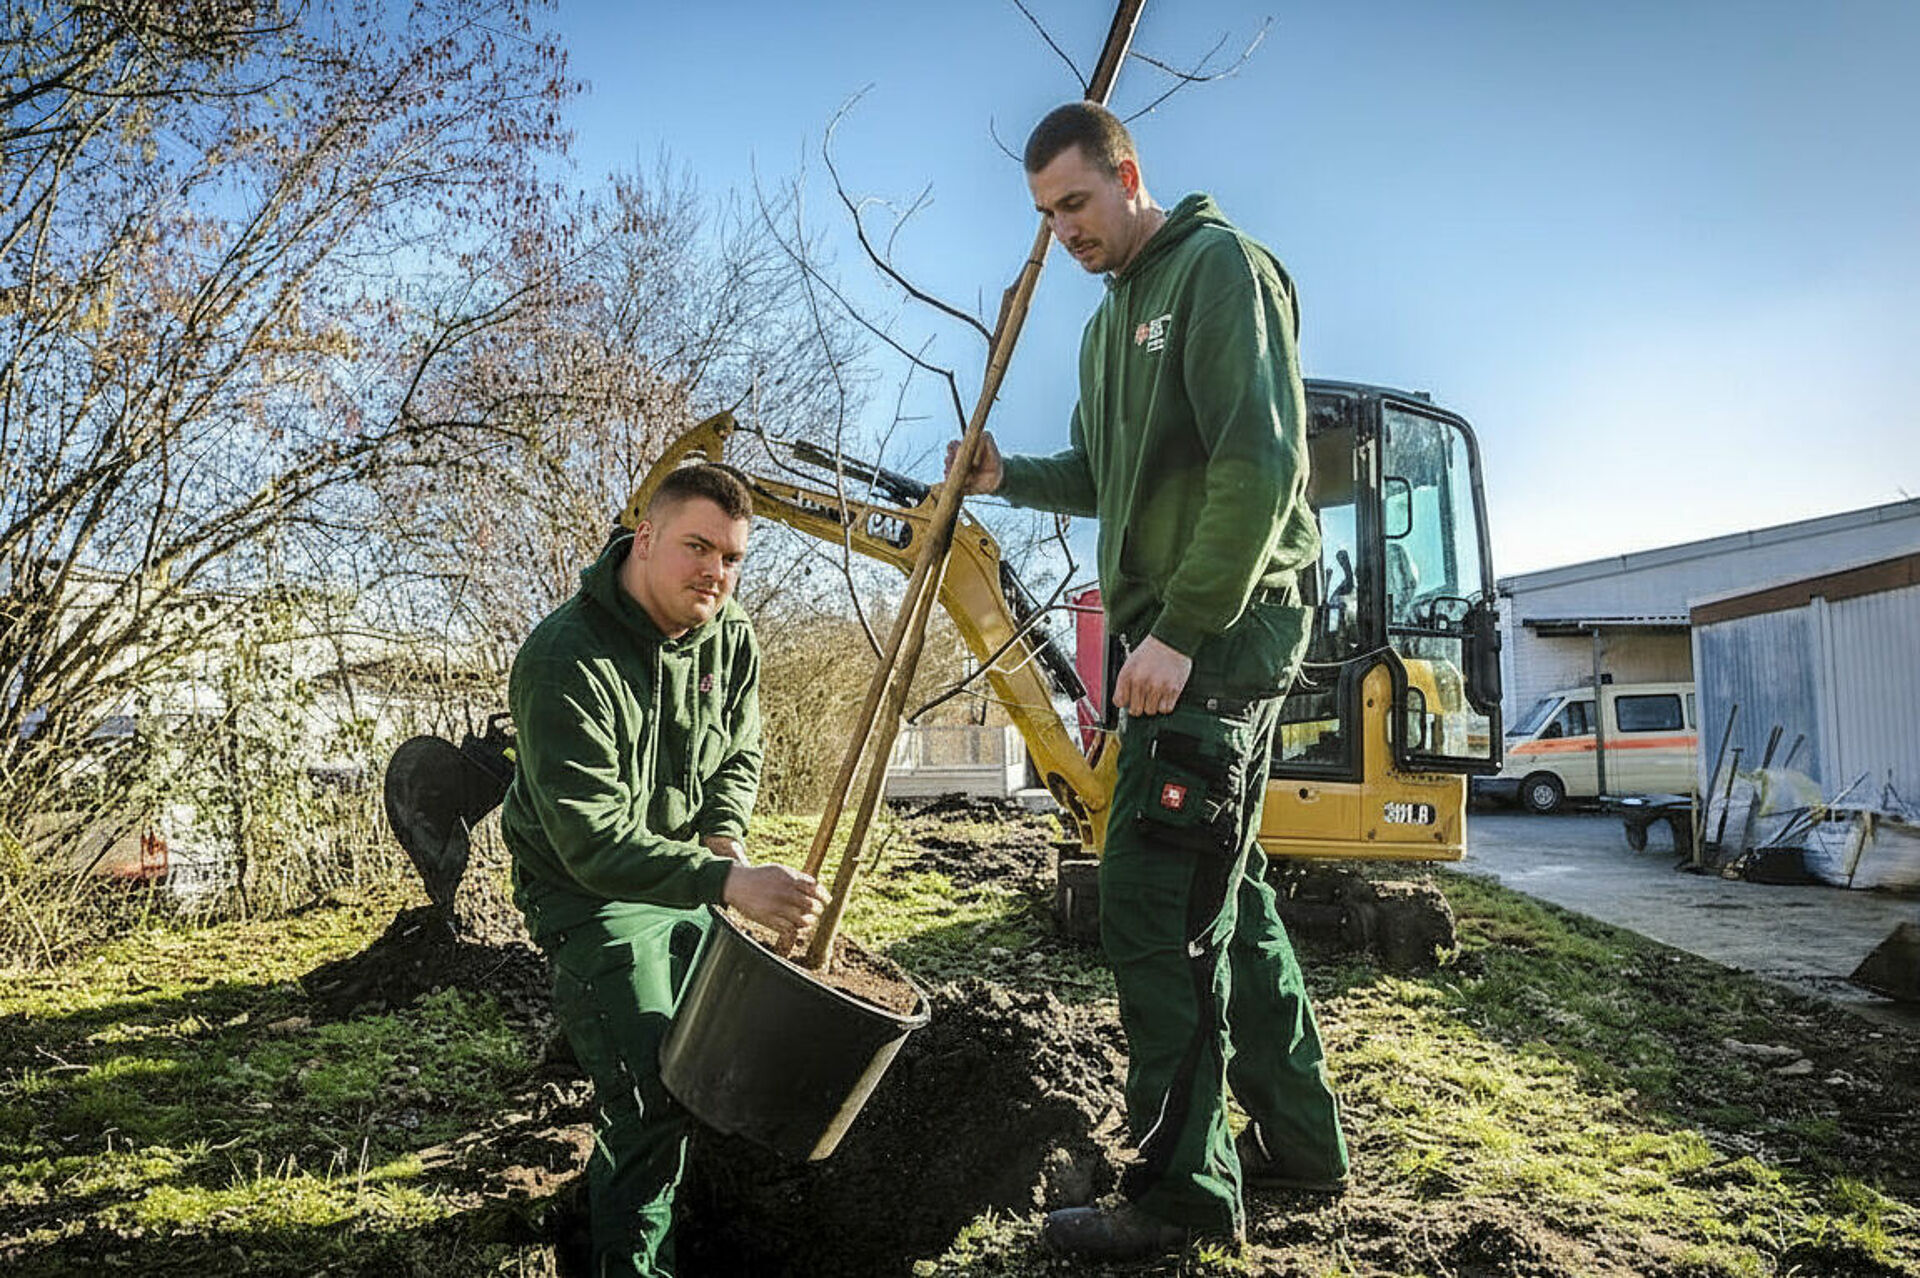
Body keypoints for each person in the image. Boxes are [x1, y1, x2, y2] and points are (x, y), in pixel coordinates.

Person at [947, 102, 1348, 1261]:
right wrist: (1010, 472)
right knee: (1235, 895)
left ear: (1129, 175)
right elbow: (1109, 475)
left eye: (1076, 202)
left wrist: (1176, 632)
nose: (1062, 231)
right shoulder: (1105, 323)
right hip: (1181, 638)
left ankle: (1180, 1197)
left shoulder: (1220, 272)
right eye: (1044, 215)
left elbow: (1261, 465)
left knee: (1152, 907)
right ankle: (1304, 1144)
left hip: (1214, 640)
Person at [500, 463, 828, 1277]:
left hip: (691, 875)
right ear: (643, 539)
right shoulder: (563, 660)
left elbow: (741, 752)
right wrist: (727, 885)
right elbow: (593, 842)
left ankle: (606, 1030)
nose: (715, 571)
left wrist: (722, 838)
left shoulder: (730, 634)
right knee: (653, 1097)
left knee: (721, 1061)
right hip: (589, 892)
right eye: (696, 546)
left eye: (732, 557)